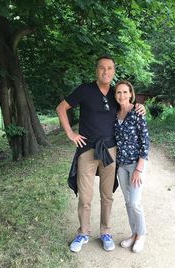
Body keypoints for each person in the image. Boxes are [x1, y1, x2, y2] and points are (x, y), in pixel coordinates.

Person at [56, 56, 145, 253]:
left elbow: (128, 106)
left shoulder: (116, 93)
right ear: (96, 70)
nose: (105, 71)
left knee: (107, 195)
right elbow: (61, 108)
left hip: (110, 150)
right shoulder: (84, 90)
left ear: (114, 71)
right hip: (87, 149)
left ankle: (105, 232)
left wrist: (140, 106)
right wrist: (71, 133)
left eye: (109, 68)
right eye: (102, 68)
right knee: (85, 196)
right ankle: (83, 233)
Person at [114, 80, 149, 253]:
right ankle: (134, 233)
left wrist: (139, 169)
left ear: (131, 94)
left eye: (125, 92)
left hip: (136, 164)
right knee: (128, 202)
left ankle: (142, 234)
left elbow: (145, 142)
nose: (122, 95)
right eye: (118, 92)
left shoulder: (137, 112)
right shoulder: (114, 114)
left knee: (135, 202)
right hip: (121, 165)